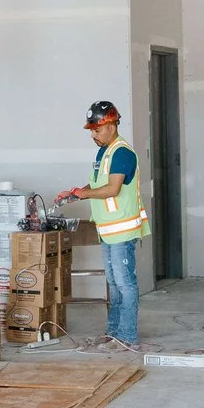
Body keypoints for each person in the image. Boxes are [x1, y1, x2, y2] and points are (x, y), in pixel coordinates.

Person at [56, 101, 145, 352]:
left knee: (125, 284)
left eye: (97, 130)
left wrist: (83, 194)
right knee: (114, 284)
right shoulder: (104, 152)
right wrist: (75, 193)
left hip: (122, 230)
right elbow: (97, 185)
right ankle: (114, 333)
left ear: (112, 126)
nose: (93, 135)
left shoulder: (122, 153)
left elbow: (113, 189)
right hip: (107, 229)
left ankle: (127, 337)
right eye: (92, 131)